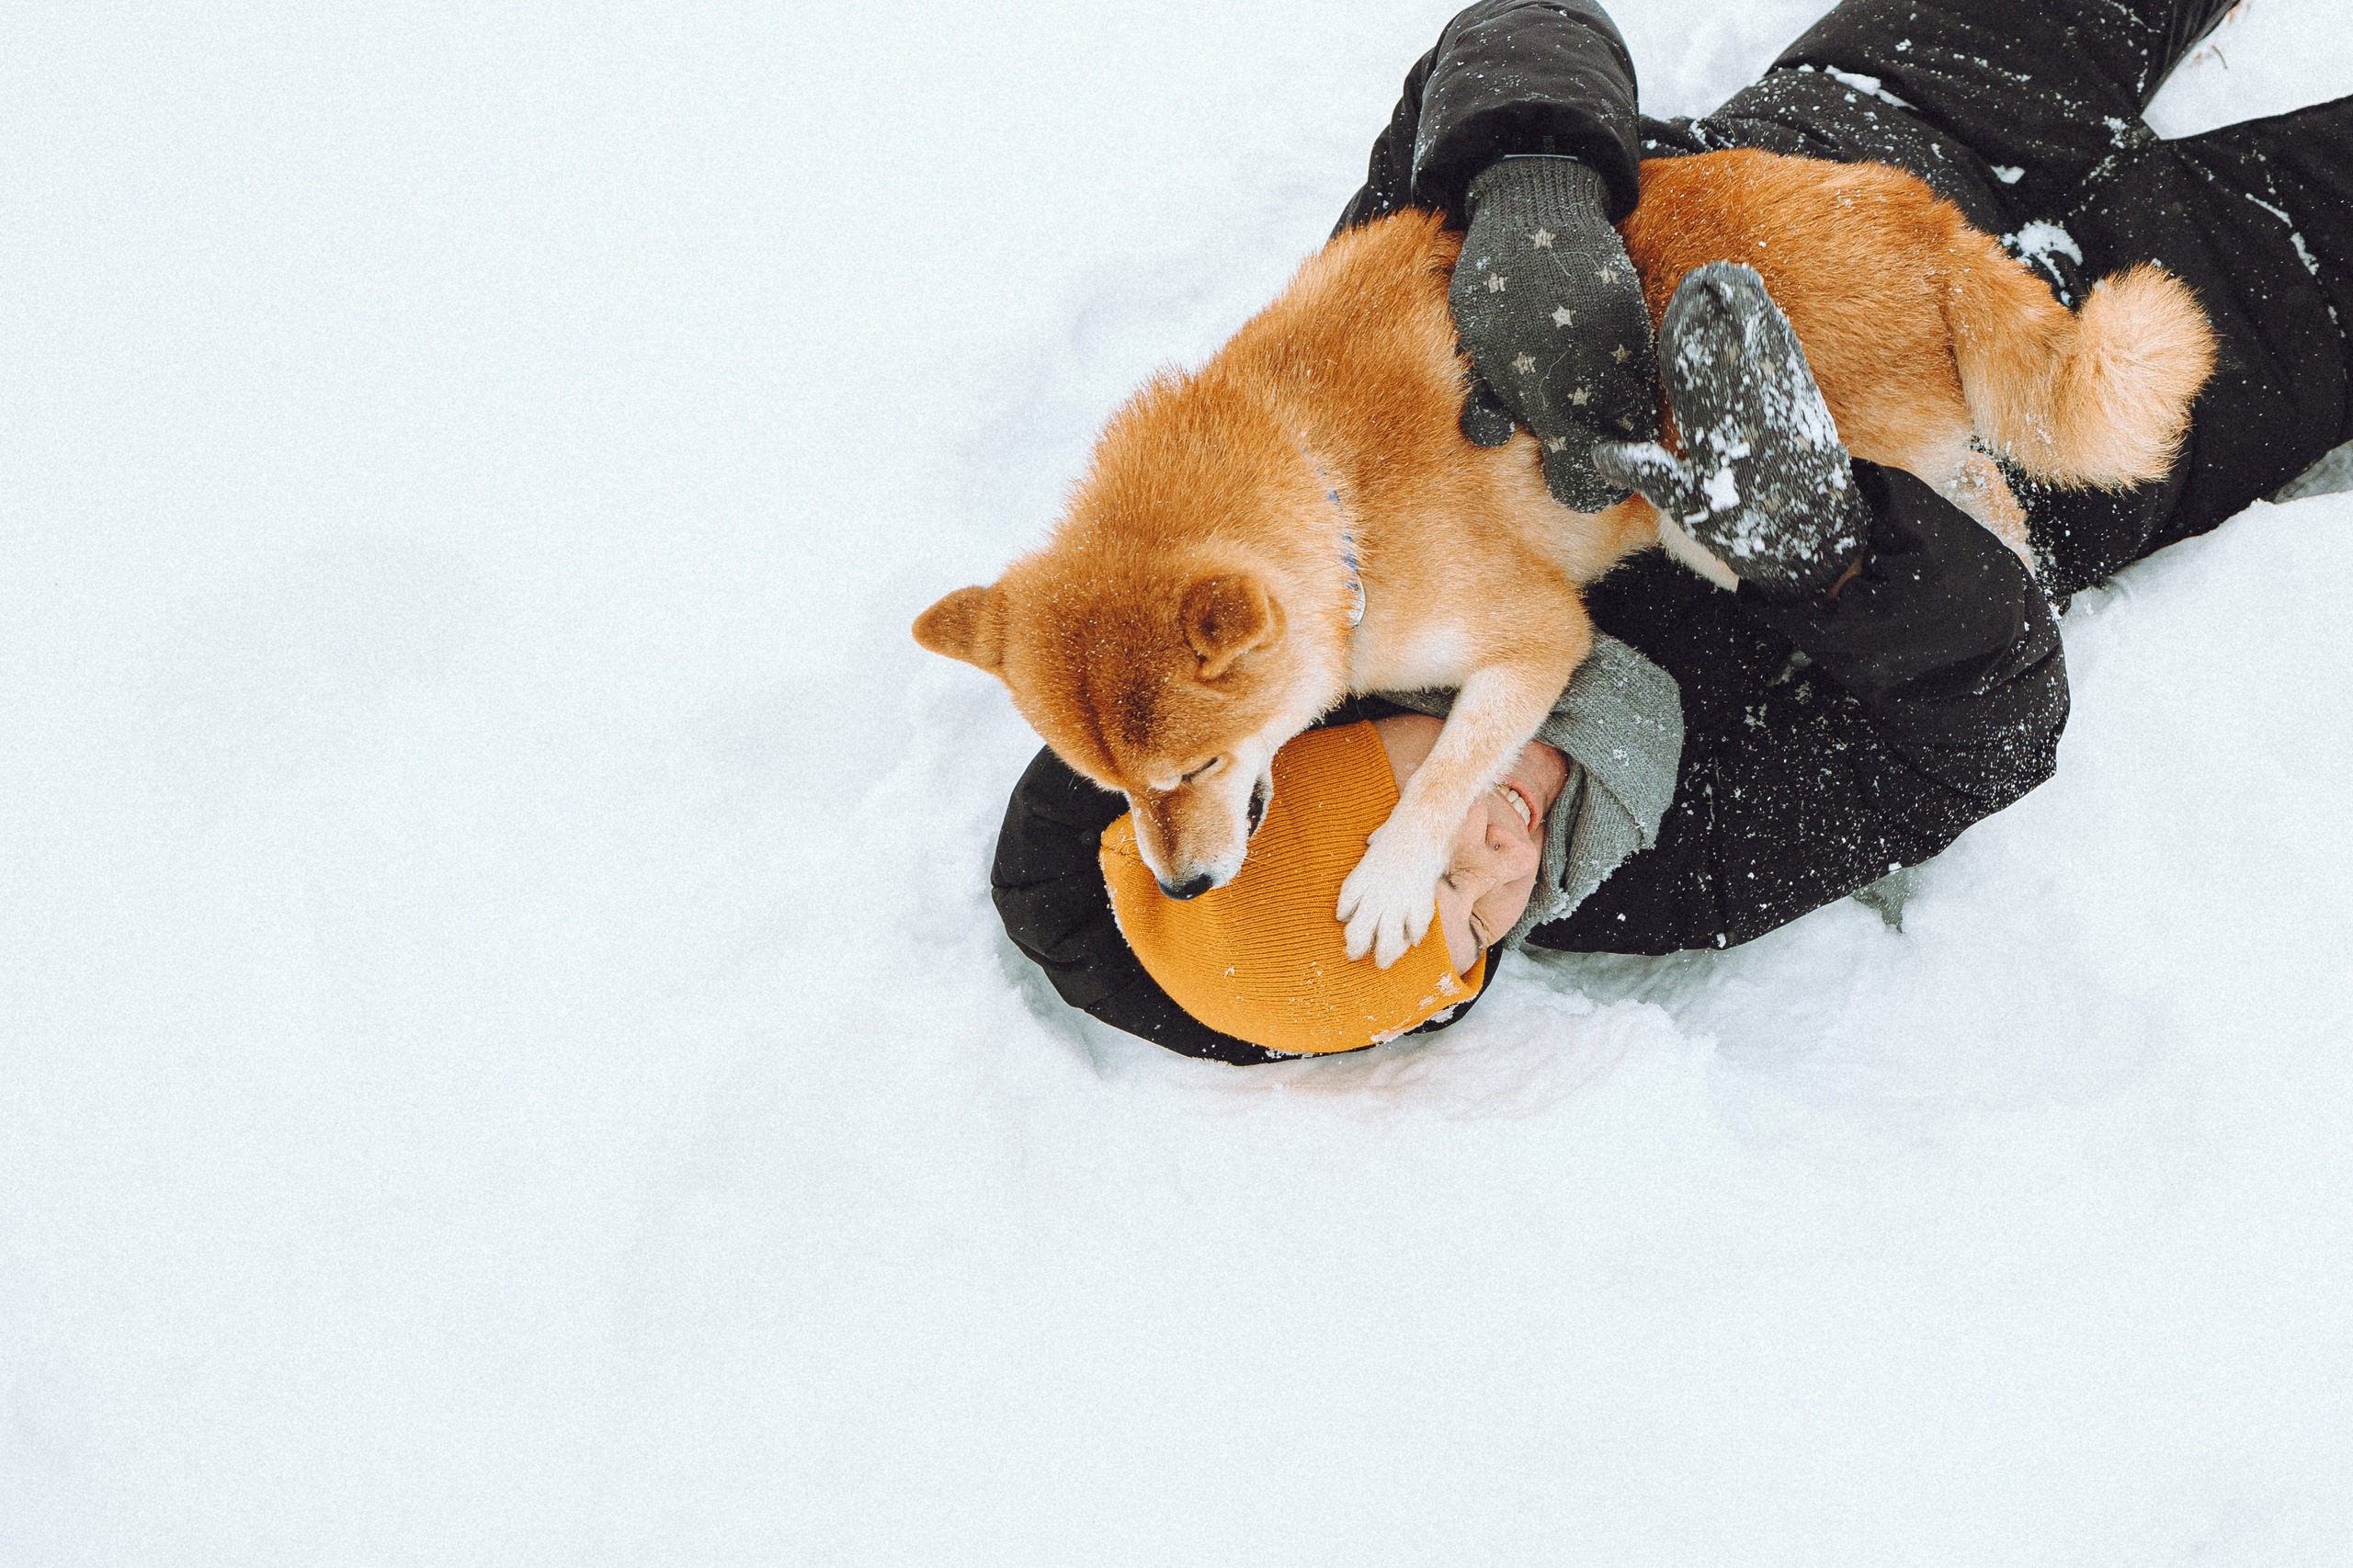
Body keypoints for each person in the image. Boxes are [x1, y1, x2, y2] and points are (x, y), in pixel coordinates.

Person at [990, 0, 2353, 1064]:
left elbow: (1514, 36)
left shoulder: (1338, 471)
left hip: (1866, 140)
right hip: (2032, 451)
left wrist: (1530, 177)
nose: (1498, 856)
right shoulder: (1659, 858)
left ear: (1333, 732)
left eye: (1427, 839)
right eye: (1477, 930)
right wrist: (1836, 552)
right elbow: (1979, 742)